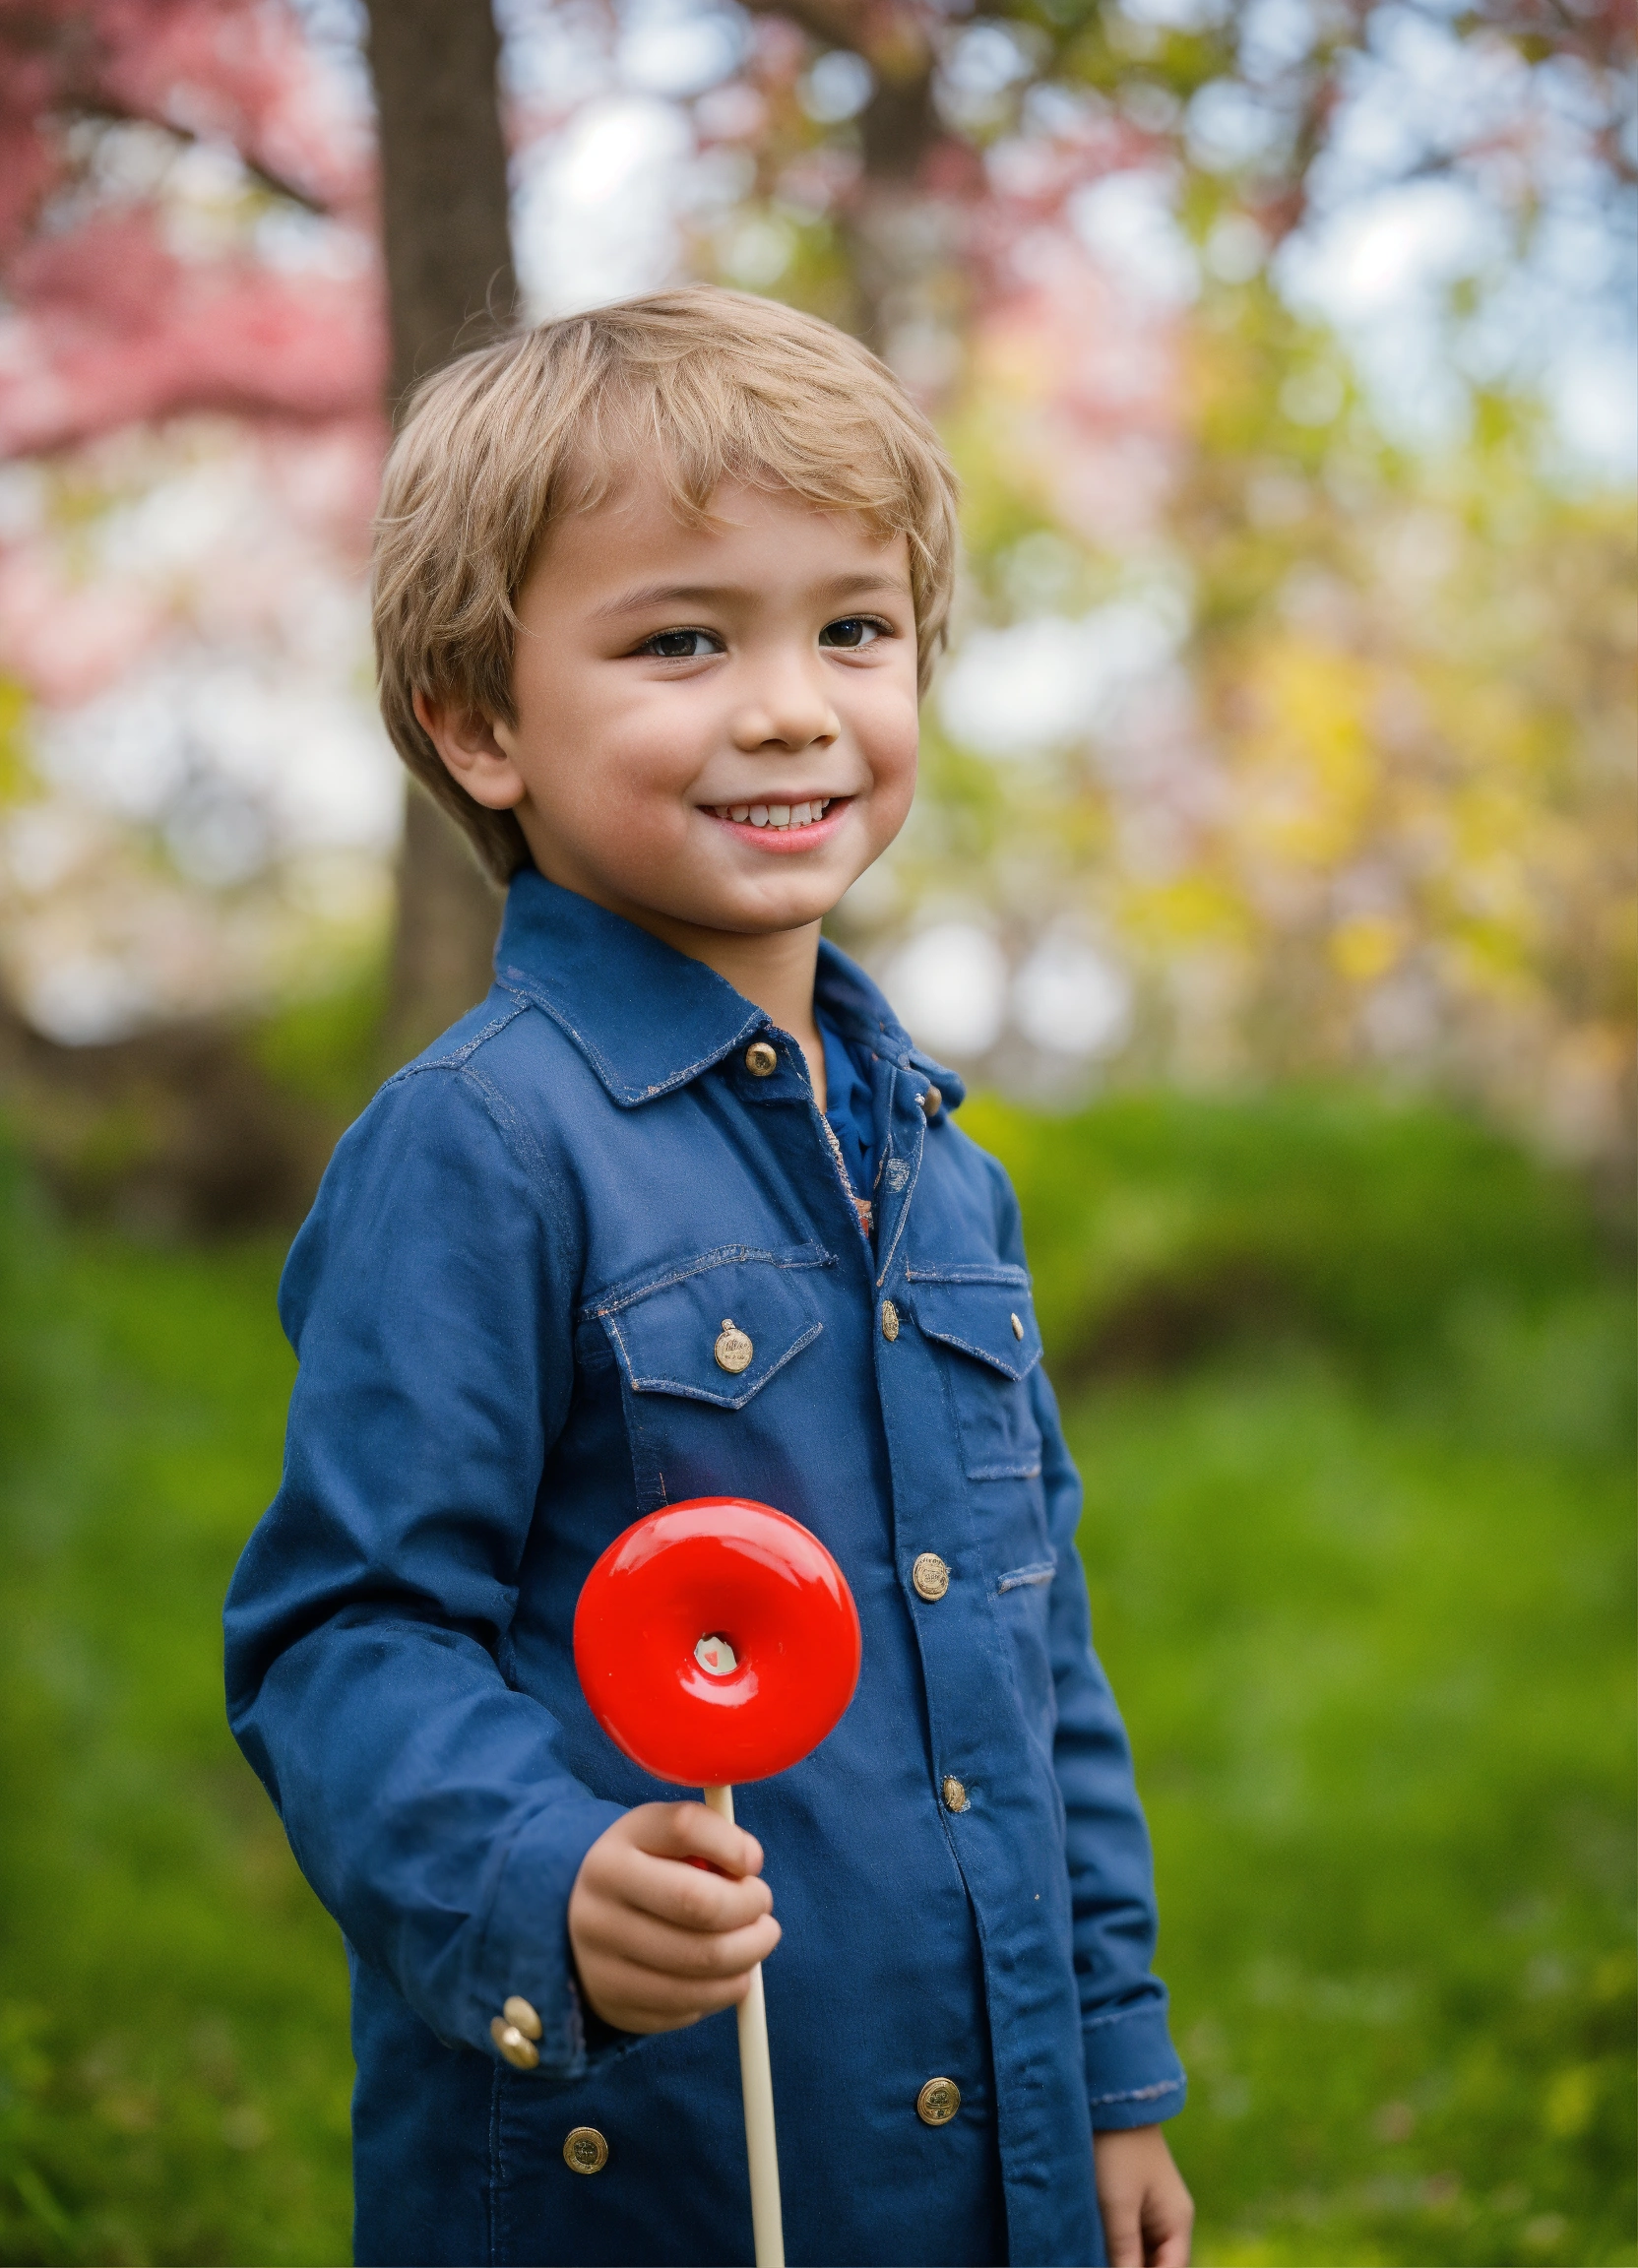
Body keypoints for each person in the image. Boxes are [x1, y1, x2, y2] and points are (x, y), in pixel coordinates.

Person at [224, 286, 1193, 2268]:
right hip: (651, 2168)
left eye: (852, 627)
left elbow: (1037, 1676)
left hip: (976, 2157)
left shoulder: (946, 1175)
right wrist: (536, 1873)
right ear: (479, 724)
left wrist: (1105, 2078)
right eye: (682, 638)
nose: (786, 705)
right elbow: (347, 1631)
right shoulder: (479, 1147)